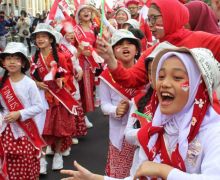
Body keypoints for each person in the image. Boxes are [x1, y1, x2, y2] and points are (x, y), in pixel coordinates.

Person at [60, 47, 220, 180]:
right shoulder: (156, 130)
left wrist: (163, 171)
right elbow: (140, 175)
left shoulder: (213, 132)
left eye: (177, 77)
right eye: (161, 76)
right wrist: (96, 178)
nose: (164, 83)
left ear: (199, 87)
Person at [95, 0, 220, 89]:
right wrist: (111, 60)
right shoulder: (152, 52)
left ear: (171, 15)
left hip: (200, 118)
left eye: (154, 18)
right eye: (149, 19)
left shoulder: (201, 40)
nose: (150, 24)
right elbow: (131, 79)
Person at [30, 23, 76, 173]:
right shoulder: (33, 59)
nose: (40, 39)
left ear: (51, 39)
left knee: (58, 128)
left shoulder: (61, 57)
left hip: (57, 97)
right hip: (39, 97)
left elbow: (67, 75)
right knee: (40, 129)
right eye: (38, 37)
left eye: (44, 36)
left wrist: (61, 81)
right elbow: (30, 77)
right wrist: (37, 83)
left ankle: (57, 154)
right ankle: (42, 159)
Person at [99, 29, 142, 178]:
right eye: (120, 44)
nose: (125, 47)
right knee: (120, 173)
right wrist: (115, 109)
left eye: (130, 43)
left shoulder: (145, 71)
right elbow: (104, 105)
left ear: (136, 49)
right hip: (119, 133)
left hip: (142, 131)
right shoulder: (106, 76)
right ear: (113, 52)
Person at [0, 42, 45, 179]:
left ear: (23, 63)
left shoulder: (29, 83)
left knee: (25, 161)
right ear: (3, 62)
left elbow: (39, 106)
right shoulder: (1, 82)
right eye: (8, 58)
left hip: (24, 130)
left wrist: (19, 113)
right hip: (5, 129)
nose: (12, 62)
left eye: (16, 58)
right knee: (8, 161)